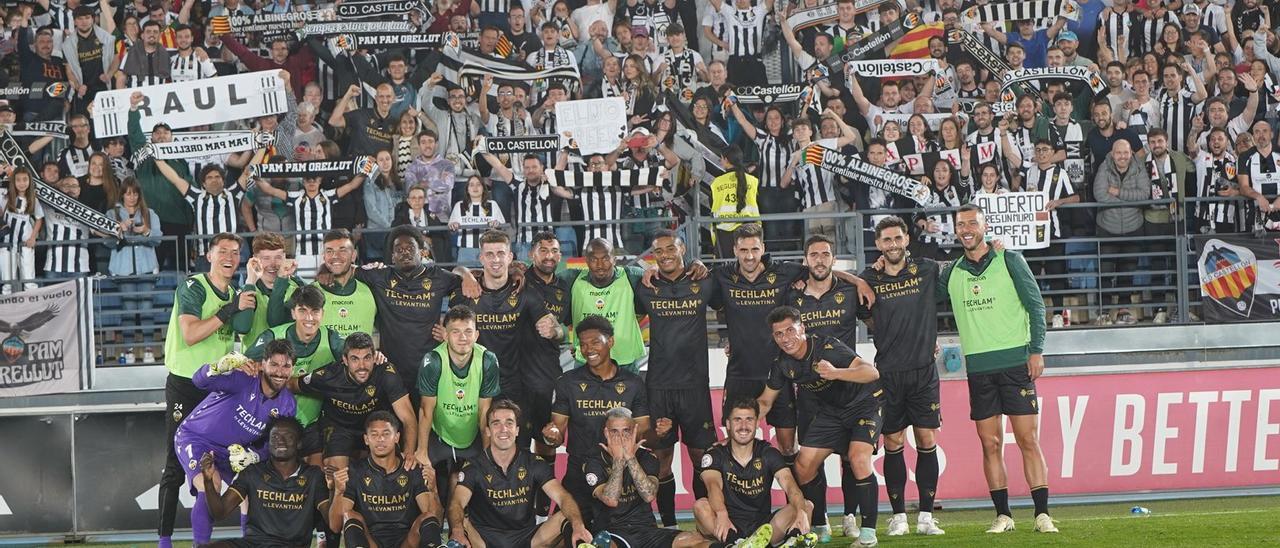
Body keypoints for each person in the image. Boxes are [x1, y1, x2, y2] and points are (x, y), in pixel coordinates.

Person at [938, 204, 1057, 534]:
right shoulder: (952, 272)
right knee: (989, 444)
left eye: (972, 223)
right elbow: (919, 302)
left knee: (1027, 440)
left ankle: (1042, 514)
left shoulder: (1010, 259)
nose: (966, 229)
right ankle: (1003, 515)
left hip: (1016, 363)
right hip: (979, 369)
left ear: (984, 226)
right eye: (960, 224)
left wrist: (1036, 351)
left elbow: (1035, 305)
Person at [757, 306, 882, 547]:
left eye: (790, 330)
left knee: (857, 458)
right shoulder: (782, 363)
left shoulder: (827, 347)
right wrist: (742, 431)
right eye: (779, 334)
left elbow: (871, 372)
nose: (785, 338)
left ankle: (868, 534)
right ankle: (820, 525)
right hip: (832, 412)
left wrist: (836, 373)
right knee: (803, 465)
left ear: (802, 329)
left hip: (865, 404)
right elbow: (765, 401)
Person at [157, 232, 252, 548]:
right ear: (208, 255)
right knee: (174, 466)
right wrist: (229, 310)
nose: (229, 257)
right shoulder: (194, 286)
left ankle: (209, 541)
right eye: (223, 251)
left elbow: (240, 337)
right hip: (185, 384)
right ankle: (165, 541)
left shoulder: (237, 292)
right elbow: (191, 334)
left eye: (235, 252)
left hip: (216, 388)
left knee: (212, 466)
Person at [858, 217, 946, 537]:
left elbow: (962, 265)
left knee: (926, 440)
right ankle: (898, 517)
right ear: (878, 244)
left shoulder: (926, 269)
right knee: (893, 443)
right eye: (886, 240)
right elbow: (854, 304)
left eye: (897, 238)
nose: (892, 245)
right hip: (888, 374)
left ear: (906, 239)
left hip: (923, 371)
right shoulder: (868, 277)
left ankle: (925, 515)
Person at [633, 229, 719, 527]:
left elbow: (729, 305)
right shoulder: (644, 285)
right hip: (658, 386)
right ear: (653, 256)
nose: (666, 255)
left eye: (671, 248)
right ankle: (668, 525)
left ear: (683, 249)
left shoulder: (703, 280)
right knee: (660, 460)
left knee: (701, 458)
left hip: (695, 386)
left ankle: (703, 523)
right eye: (659, 251)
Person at [174, 341, 298, 545]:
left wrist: (252, 456)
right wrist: (216, 368)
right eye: (274, 364)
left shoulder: (288, 404)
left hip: (233, 452)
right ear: (262, 364)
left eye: (286, 366)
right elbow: (199, 381)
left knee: (250, 493)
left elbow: (275, 445)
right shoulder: (242, 379)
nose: (280, 372)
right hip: (197, 438)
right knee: (210, 484)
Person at [447, 230, 562, 446]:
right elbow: (451, 274)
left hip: (515, 384)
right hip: (475, 384)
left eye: (501, 253)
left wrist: (554, 330)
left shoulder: (524, 292)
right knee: (478, 446)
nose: (496, 259)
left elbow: (554, 325)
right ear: (481, 258)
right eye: (489, 254)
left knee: (518, 445)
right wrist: (464, 273)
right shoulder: (466, 291)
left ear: (510, 257)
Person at [542, 315, 651, 527]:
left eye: (595, 342)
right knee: (558, 534)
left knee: (620, 537)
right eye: (582, 344)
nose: (588, 349)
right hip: (578, 474)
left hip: (618, 475)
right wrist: (551, 437)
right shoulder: (568, 383)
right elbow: (557, 432)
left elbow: (643, 431)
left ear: (610, 342)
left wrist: (658, 433)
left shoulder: (633, 384)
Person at [356, 225, 481, 398]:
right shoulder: (380, 275)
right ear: (392, 256)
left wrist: (466, 273)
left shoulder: (437, 276)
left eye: (410, 248)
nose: (405, 253)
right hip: (391, 369)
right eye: (399, 250)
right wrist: (325, 271)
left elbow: (459, 276)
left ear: (421, 252)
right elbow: (346, 270)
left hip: (429, 367)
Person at [450, 400, 593, 547]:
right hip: (484, 541)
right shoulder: (474, 466)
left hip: (526, 539)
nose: (503, 429)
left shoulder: (534, 462)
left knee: (568, 517)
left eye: (509, 423)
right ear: (487, 431)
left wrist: (578, 526)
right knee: (462, 524)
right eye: (496, 423)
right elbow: (457, 502)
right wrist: (457, 530)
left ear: (517, 430)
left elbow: (563, 497)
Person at [694, 399, 814, 547]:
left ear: (757, 424)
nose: (743, 426)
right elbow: (713, 487)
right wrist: (721, 514)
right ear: (728, 424)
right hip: (727, 525)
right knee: (701, 506)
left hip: (763, 530)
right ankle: (736, 544)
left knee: (806, 506)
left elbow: (790, 485)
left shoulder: (768, 452)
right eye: (738, 420)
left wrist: (801, 511)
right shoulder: (715, 455)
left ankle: (791, 541)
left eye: (749, 420)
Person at [586, 407, 712, 548]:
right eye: (614, 431)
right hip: (612, 532)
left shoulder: (647, 457)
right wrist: (618, 462)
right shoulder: (594, 461)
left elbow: (649, 495)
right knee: (603, 545)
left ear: (635, 432)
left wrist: (631, 458)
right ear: (605, 433)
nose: (621, 437)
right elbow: (611, 500)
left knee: (693, 539)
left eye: (626, 431)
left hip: (646, 530)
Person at [416, 305, 501, 510]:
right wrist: (421, 450)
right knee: (423, 482)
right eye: (456, 332)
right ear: (445, 335)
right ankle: (433, 536)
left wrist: (489, 453)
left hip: (471, 435)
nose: (463, 337)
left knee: (481, 485)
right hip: (440, 434)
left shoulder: (488, 360)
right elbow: (426, 410)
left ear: (477, 334)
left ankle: (462, 532)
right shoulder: (433, 361)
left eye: (468, 331)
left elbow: (484, 412)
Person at [245, 285, 345, 461]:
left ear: (323, 313)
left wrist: (376, 356)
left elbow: (356, 357)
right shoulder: (272, 336)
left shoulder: (331, 339)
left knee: (316, 477)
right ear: (293, 313)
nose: (309, 318)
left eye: (315, 311)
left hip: (310, 424)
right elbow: (244, 365)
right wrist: (251, 366)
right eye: (302, 311)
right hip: (271, 423)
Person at [294, 332, 417, 471]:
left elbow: (408, 418)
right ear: (345, 360)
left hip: (375, 428)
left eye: (367, 358)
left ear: (374, 357)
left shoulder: (386, 373)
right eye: (355, 359)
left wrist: (409, 453)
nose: (362, 366)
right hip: (339, 427)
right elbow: (291, 384)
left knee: (393, 469)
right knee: (336, 474)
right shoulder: (328, 375)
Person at [199, 415, 327, 548]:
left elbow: (332, 521)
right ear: (269, 443)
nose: (280, 441)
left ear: (299, 443)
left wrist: (337, 490)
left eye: (288, 436)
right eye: (275, 437)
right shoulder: (252, 472)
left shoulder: (314, 476)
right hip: (253, 544)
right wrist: (208, 481)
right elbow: (220, 512)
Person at [329, 411, 442, 548]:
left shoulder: (412, 469)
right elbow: (336, 527)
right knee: (350, 517)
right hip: (371, 542)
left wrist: (434, 490)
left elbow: (435, 520)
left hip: (406, 543)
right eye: (374, 434)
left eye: (386, 434)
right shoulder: (355, 471)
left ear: (397, 437)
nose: (380, 439)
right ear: (366, 439)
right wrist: (338, 492)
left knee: (427, 517)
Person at [709, 148, 760, 258]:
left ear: (726, 160)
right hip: (750, 229)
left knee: (726, 269)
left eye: (721, 159)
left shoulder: (717, 182)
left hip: (724, 232)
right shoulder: (753, 181)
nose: (721, 161)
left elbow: (712, 205)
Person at [0, 167, 44, 294]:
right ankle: (8, 312)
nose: (22, 183)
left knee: (29, 281)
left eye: (25, 179)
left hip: (25, 242)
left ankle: (30, 310)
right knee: (7, 282)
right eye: (18, 180)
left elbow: (39, 218)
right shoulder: (5, 195)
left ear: (30, 181)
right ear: (13, 181)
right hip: (6, 243)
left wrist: (33, 237)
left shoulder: (32, 199)